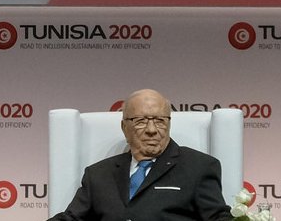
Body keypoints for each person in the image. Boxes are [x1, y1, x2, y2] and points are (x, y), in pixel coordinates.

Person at [48, 89, 230, 221]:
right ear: (124, 128)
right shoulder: (98, 174)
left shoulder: (198, 167)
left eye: (159, 120)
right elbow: (71, 218)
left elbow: (218, 218)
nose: (152, 130)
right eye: (141, 121)